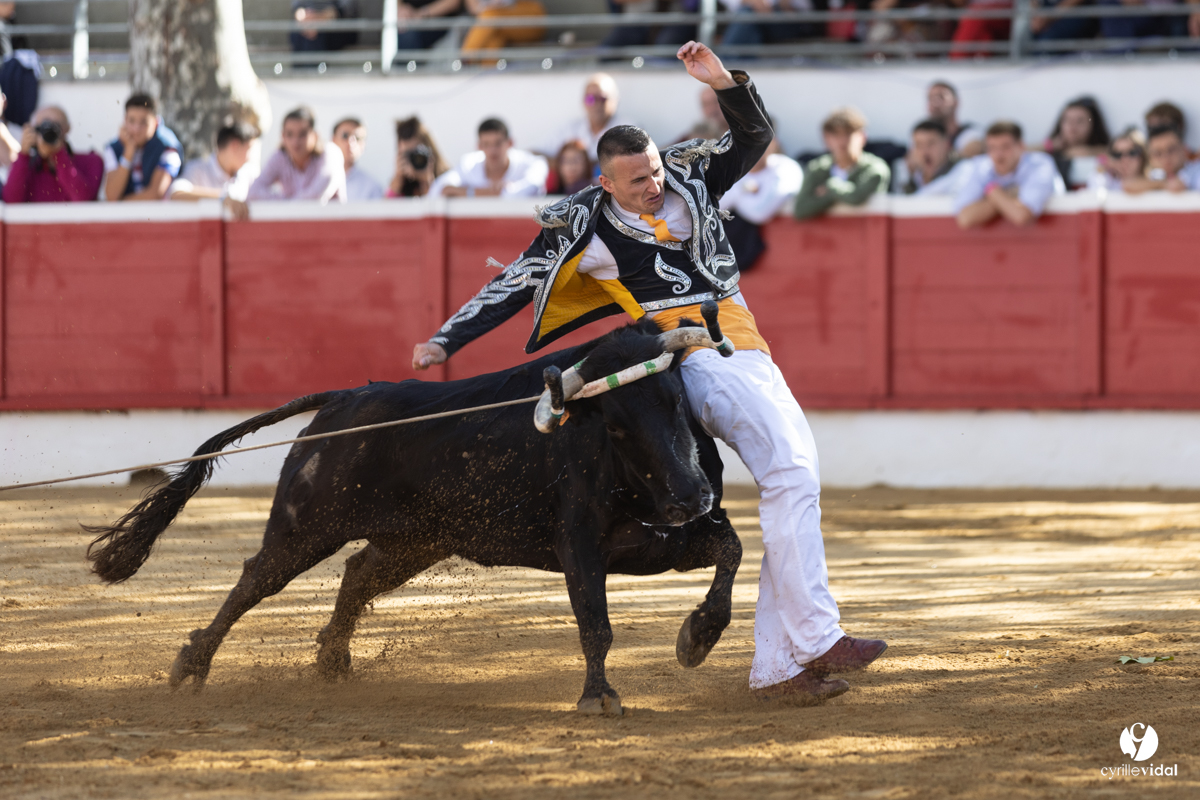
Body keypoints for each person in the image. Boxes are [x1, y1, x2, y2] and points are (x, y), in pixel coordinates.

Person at [411, 41, 887, 707]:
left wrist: (723, 81)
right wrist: (447, 337)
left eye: (655, 171)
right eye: (637, 180)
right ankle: (814, 634)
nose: (653, 185)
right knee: (789, 473)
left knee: (795, 478)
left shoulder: (690, 175)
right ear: (607, 183)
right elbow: (516, 282)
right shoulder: (586, 224)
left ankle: (781, 666)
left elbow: (752, 137)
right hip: (694, 358)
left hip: (747, 349)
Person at [954, 120, 1065, 229]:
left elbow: (1022, 216)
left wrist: (992, 195)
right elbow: (965, 218)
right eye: (992, 148)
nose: (999, 155)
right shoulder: (981, 166)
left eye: (1005, 147)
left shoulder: (1040, 164)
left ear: (1021, 146)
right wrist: (1000, 193)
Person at [720, 135, 802, 269]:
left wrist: (736, 196)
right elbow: (712, 206)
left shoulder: (786, 168)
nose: (752, 150)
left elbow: (760, 212)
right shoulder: (729, 170)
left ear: (773, 144)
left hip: (782, 259)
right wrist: (743, 189)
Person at [793, 107, 891, 220]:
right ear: (827, 139)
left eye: (848, 133)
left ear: (863, 137)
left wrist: (830, 187)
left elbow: (856, 197)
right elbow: (800, 209)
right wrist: (836, 196)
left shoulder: (875, 168)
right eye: (836, 134)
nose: (842, 140)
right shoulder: (817, 168)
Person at [2, 105, 104, 203]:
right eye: (42, 127)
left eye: (54, 126)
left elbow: (84, 200)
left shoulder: (91, 161)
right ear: (34, 131)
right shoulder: (28, 167)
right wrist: (23, 155)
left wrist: (59, 154)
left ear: (67, 128)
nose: (48, 132)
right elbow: (11, 201)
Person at [248, 106, 345, 203]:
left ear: (315, 136)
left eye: (302, 134)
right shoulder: (279, 157)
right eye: (290, 134)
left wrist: (285, 203)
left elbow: (316, 195)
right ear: (283, 137)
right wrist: (287, 201)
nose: (295, 142)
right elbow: (253, 193)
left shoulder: (331, 153)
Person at [168, 119, 260, 220]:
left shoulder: (249, 174)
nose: (250, 157)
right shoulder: (197, 169)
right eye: (250, 148)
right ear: (235, 145)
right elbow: (176, 194)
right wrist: (223, 199)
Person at [432, 118, 547, 198]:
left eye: (498, 143)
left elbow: (531, 188)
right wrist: (485, 192)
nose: (493, 150)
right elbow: (440, 189)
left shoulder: (533, 163)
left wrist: (466, 192)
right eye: (486, 144)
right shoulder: (468, 164)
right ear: (479, 146)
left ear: (510, 143)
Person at [103, 93, 183, 202]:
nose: (136, 129)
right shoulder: (113, 149)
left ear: (155, 122)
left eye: (143, 122)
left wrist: (121, 204)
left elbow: (155, 194)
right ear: (125, 120)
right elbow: (111, 196)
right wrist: (128, 153)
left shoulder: (168, 147)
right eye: (131, 121)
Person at [549, 73, 629, 161]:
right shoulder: (570, 129)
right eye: (590, 99)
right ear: (583, 101)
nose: (596, 104)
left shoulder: (627, 130)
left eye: (602, 99)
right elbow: (538, 152)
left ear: (615, 100)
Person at [1044, 96, 1110, 190]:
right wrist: (1049, 146)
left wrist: (1088, 152)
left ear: (1093, 125)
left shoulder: (1109, 153)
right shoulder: (1046, 157)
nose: (1073, 126)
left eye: (1080, 121)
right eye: (1067, 120)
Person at [1121, 125, 1200, 194]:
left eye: (1171, 150)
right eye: (1158, 153)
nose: (1165, 157)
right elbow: (1127, 185)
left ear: (1184, 149)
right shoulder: (1155, 175)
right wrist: (1164, 184)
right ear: (1150, 157)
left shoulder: (1196, 171)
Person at [460, 0, 545, 63]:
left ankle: (466, 57)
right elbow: (474, 9)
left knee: (491, 15)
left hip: (530, 19)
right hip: (498, 24)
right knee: (494, 38)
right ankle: (488, 76)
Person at [388, 115, 451, 198]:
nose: (414, 159)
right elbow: (386, 208)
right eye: (407, 154)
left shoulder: (447, 179)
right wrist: (397, 180)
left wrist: (427, 182)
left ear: (430, 151)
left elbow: (437, 207)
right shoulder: (401, 186)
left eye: (417, 153)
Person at [895, 118, 959, 195]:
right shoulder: (909, 178)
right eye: (919, 145)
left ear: (947, 144)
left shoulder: (961, 173)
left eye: (931, 143)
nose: (925, 151)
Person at [332, 117, 384, 201]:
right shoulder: (316, 179)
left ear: (364, 145)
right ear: (333, 140)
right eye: (345, 136)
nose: (351, 142)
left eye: (358, 138)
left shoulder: (372, 187)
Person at [926, 80, 983, 157]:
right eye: (930, 98)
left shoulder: (970, 135)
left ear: (956, 103)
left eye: (941, 97)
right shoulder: (922, 138)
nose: (935, 103)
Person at [1086, 127, 1146, 193]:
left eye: (1132, 153)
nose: (1125, 159)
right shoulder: (1107, 182)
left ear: (1143, 155)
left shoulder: (1154, 175)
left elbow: (1130, 186)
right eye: (1117, 155)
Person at [291, 0, 358, 54]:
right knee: (300, 33)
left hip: (339, 26)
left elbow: (347, 8)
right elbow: (297, 8)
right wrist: (304, 18)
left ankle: (310, 70)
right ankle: (314, 69)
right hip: (306, 23)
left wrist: (321, 18)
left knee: (315, 35)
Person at [396, 0, 463, 50]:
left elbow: (454, 2)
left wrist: (422, 14)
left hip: (440, 22)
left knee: (408, 37)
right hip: (409, 22)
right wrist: (402, 9)